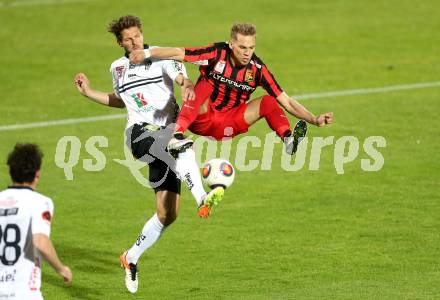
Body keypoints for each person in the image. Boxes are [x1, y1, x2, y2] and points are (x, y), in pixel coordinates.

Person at [74, 15, 223, 294]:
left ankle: (130, 258)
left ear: (143, 34)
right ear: (120, 42)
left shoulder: (161, 56)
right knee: (177, 142)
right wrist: (89, 92)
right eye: (128, 39)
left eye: (137, 36)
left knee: (168, 214)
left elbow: (182, 78)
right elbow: (121, 100)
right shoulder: (117, 68)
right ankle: (202, 197)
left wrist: (187, 85)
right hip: (140, 134)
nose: (134, 41)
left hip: (167, 133)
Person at [130, 23, 334, 154]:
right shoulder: (217, 53)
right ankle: (177, 135)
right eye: (242, 48)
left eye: (251, 48)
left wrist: (314, 119)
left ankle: (289, 140)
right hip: (202, 119)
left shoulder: (257, 69)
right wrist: (147, 53)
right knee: (204, 84)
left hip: (229, 124)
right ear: (231, 45)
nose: (247, 53)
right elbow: (179, 52)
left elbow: (286, 100)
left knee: (269, 101)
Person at [0, 143, 72, 300]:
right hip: (24, 293)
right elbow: (40, 241)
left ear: (11, 171)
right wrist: (61, 269)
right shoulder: (40, 202)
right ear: (37, 173)